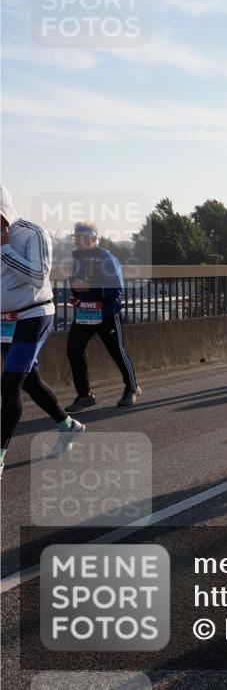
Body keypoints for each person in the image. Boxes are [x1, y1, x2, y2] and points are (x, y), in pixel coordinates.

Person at [1, 187, 85, 478]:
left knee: (10, 382)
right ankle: (67, 425)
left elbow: (39, 275)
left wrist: (4, 248)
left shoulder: (32, 233)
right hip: (5, 319)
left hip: (34, 313)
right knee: (29, 380)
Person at [63, 222, 141, 412]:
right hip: (85, 313)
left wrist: (89, 288)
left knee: (117, 351)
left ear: (93, 239)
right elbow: (78, 284)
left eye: (81, 237)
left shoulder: (106, 258)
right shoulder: (78, 260)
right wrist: (77, 297)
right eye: (75, 237)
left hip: (107, 314)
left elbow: (116, 289)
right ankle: (85, 395)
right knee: (74, 350)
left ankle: (132, 388)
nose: (78, 241)